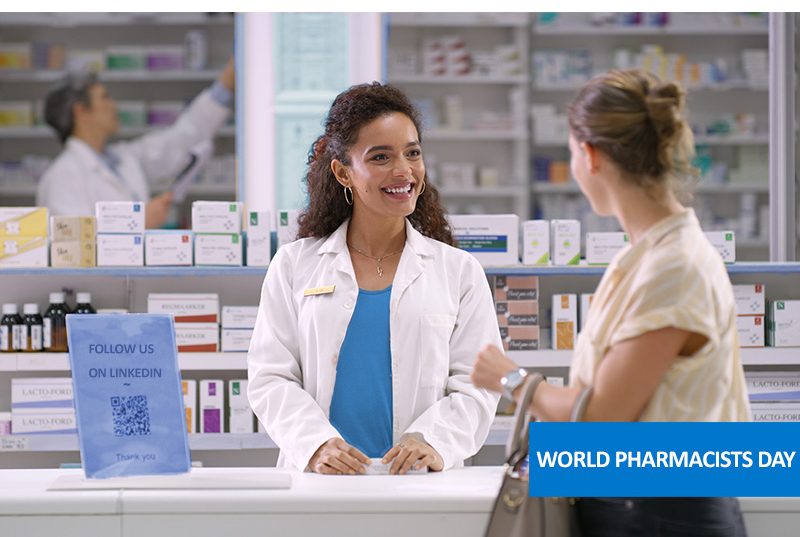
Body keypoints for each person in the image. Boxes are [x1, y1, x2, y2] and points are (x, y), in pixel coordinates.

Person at [471, 69, 750, 535]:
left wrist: (512, 378)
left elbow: (599, 418)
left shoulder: (673, 267)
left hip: (663, 515)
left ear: (591, 156)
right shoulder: (641, 257)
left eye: (571, 152)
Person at [247, 82, 502, 475]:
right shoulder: (295, 265)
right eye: (381, 157)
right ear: (343, 172)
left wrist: (432, 439)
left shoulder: (458, 271)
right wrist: (315, 443)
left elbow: (477, 384)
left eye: (412, 153)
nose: (403, 171)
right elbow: (271, 377)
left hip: (420, 482)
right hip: (323, 480)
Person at [36, 56, 235, 229]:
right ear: (81, 111)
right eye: (105, 98)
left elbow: (179, 142)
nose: (114, 105)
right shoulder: (63, 176)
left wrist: (224, 86)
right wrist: (140, 222)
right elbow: (72, 249)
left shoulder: (124, 159)